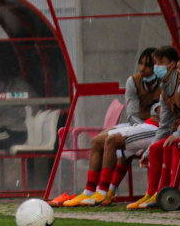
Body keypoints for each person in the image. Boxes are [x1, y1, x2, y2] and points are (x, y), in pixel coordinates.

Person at [59, 48, 160, 207]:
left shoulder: (166, 83)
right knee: (97, 141)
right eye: (140, 63)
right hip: (139, 124)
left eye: (148, 65)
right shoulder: (133, 81)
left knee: (113, 142)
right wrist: (138, 130)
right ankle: (90, 191)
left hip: (156, 127)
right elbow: (132, 113)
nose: (142, 68)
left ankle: (104, 191)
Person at [128, 45, 180, 210]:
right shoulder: (165, 88)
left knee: (170, 144)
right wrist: (147, 152)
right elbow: (164, 126)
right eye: (156, 63)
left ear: (172, 64)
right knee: (157, 147)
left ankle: (171, 192)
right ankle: (152, 193)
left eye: (160, 62)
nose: (156, 67)